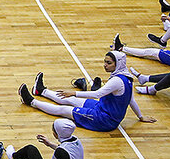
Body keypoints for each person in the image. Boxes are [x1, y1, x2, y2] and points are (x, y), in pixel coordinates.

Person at [19, 51, 156, 131]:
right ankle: (41, 91)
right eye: (105, 61)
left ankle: (31, 101)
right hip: (102, 108)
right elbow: (131, 100)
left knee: (64, 110)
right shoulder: (128, 77)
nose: (105, 65)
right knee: (71, 100)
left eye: (109, 63)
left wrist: (74, 92)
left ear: (117, 64)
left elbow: (97, 94)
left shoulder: (116, 81)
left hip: (104, 119)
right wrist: (140, 117)